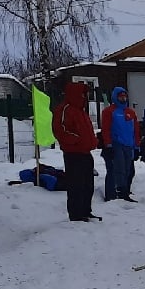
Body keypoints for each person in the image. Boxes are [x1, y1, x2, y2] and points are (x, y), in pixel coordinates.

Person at [52, 80, 99, 222]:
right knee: (76, 184)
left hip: (86, 152)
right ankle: (76, 214)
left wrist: (93, 141)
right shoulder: (64, 109)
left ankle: (85, 210)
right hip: (73, 153)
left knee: (87, 184)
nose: (86, 96)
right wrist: (76, 140)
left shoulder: (81, 111)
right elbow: (59, 130)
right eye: (84, 94)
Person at [98, 85, 139, 200]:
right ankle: (112, 194)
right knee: (117, 169)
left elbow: (135, 130)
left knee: (128, 170)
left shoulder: (130, 112)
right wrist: (108, 144)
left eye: (125, 96)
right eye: (120, 97)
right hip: (116, 144)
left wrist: (137, 146)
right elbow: (105, 129)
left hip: (129, 145)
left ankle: (124, 192)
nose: (123, 99)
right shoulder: (109, 111)